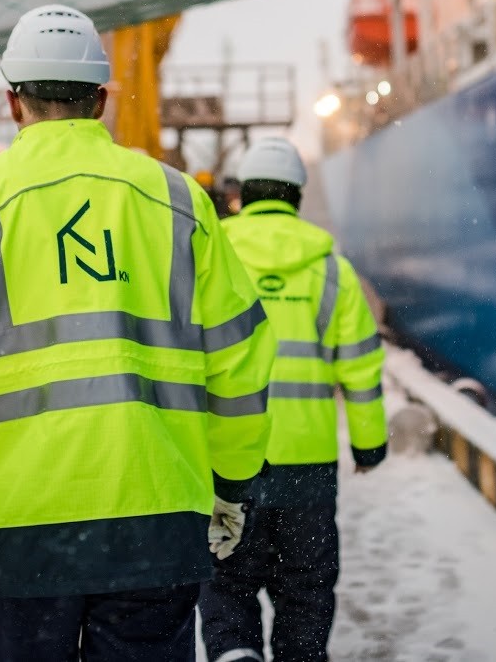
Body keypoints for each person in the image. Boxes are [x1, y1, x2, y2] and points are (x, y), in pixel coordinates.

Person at [0, 4, 275, 662]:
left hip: (16, 534)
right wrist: (234, 481)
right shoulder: (177, 200)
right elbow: (240, 361)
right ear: (102, 100)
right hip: (155, 522)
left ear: (12, 102)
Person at [198, 137, 388, 662]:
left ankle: (236, 655)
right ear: (297, 197)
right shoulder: (332, 269)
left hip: (226, 461)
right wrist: (370, 444)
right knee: (305, 588)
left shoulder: (212, 255)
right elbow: (361, 369)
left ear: (241, 193)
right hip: (307, 464)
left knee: (227, 582)